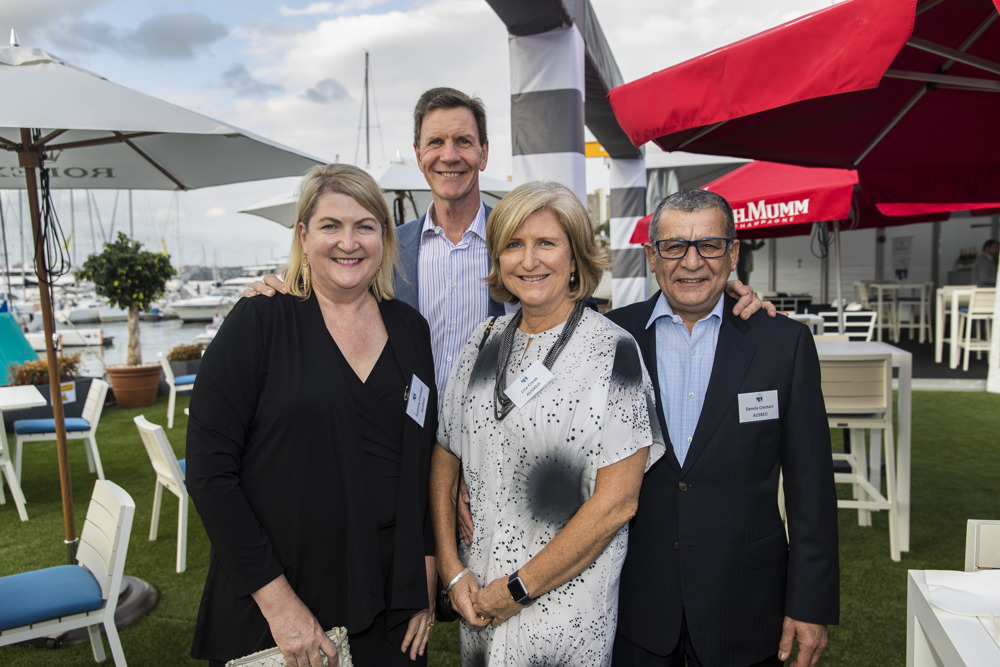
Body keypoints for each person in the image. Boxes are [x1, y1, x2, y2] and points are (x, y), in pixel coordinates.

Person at [249, 87, 769, 400]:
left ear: (483, 152)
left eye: (463, 141)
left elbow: (575, 318)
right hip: (408, 433)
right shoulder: (387, 249)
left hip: (507, 425)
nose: (449, 155)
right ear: (418, 153)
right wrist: (280, 289)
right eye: (435, 142)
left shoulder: (518, 244)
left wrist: (718, 291)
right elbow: (335, 288)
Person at [187, 164, 438, 666]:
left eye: (364, 226)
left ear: (385, 237)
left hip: (393, 601)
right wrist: (280, 605)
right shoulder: (260, 321)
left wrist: (425, 574)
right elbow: (210, 473)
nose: (349, 242)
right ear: (303, 236)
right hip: (283, 595)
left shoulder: (411, 329)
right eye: (330, 226)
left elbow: (421, 462)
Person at [430, 181, 666, 666]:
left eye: (546, 243)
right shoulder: (482, 341)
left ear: (575, 257)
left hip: (563, 613)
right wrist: (452, 570)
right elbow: (446, 450)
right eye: (513, 244)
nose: (529, 260)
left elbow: (617, 503)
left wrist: (516, 590)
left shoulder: (613, 352)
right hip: (479, 601)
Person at [605, 190, 839, 667]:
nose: (692, 262)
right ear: (651, 256)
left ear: (733, 254)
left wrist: (810, 604)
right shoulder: (611, 338)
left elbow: (811, 488)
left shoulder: (784, 343)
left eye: (709, 245)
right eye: (674, 246)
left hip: (746, 603)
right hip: (636, 603)